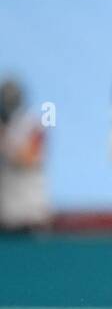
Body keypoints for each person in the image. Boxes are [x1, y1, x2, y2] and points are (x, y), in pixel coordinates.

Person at [0, 78, 51, 232]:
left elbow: (30, 157)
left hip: (30, 214)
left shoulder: (33, 126)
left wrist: (4, 141)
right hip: (6, 214)